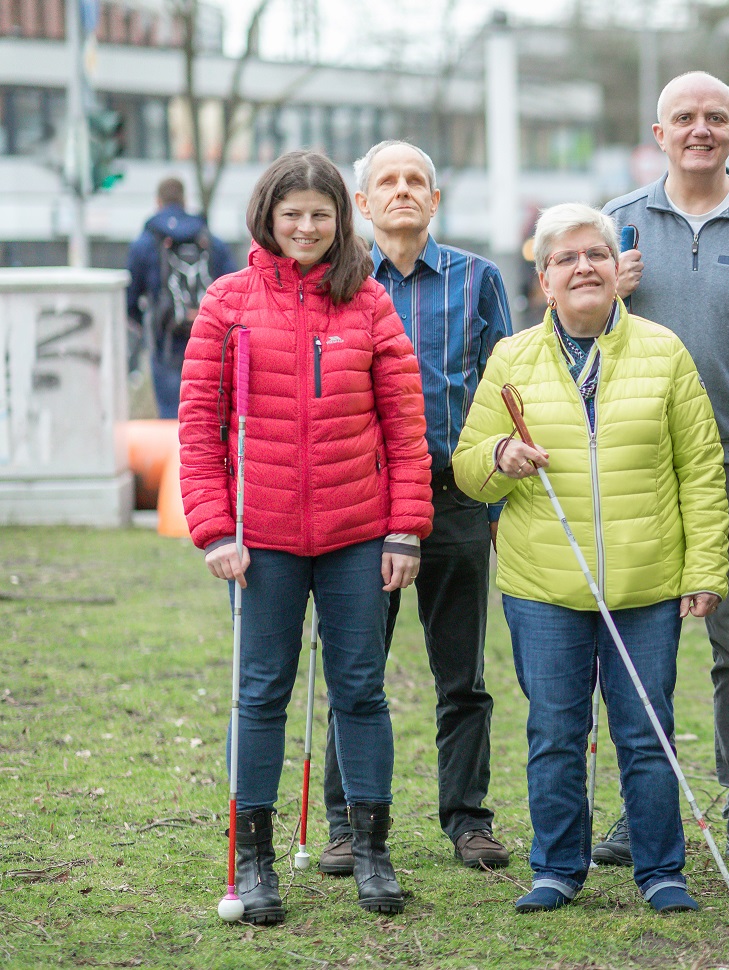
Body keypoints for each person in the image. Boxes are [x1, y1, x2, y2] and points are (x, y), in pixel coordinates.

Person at [178, 150, 433, 921]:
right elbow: (197, 426)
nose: (307, 226)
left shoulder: (369, 305)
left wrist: (405, 529)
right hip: (264, 541)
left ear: (339, 220)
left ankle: (370, 848)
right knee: (260, 694)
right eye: (293, 213)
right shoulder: (227, 301)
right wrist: (215, 529)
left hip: (359, 534)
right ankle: (253, 859)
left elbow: (405, 423)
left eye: (321, 214)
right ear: (268, 215)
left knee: (361, 690)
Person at [453, 203, 728, 914]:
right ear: (544, 279)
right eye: (566, 259)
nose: (583, 268)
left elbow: (700, 468)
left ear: (617, 271)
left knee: (646, 731)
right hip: (543, 582)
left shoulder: (664, 351)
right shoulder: (512, 357)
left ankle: (661, 870)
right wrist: (501, 456)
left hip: (646, 581)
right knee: (554, 731)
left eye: (596, 256)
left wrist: (703, 570)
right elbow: (467, 469)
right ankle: (557, 868)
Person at [600, 70, 729, 870]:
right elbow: (565, 337)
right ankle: (638, 807)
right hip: (637, 473)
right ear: (658, 135)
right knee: (638, 655)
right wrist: (601, 299)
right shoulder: (617, 224)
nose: (700, 129)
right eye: (683, 117)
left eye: (715, 117)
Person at [311, 140, 514, 878]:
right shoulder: (335, 283)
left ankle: (468, 819)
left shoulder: (479, 279)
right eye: (386, 182)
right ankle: (348, 822)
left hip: (455, 495)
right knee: (356, 671)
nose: (402, 190)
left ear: (435, 199)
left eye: (416, 180)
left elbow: (504, 389)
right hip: (361, 502)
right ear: (361, 204)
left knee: (460, 673)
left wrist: (497, 496)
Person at [126, 176, 238, 418]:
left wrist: (144, 323)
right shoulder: (209, 239)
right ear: (185, 200)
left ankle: (174, 456)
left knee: (171, 415)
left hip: (165, 340)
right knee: (204, 412)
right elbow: (233, 285)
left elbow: (130, 297)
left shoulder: (146, 242)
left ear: (158, 202)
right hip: (207, 337)